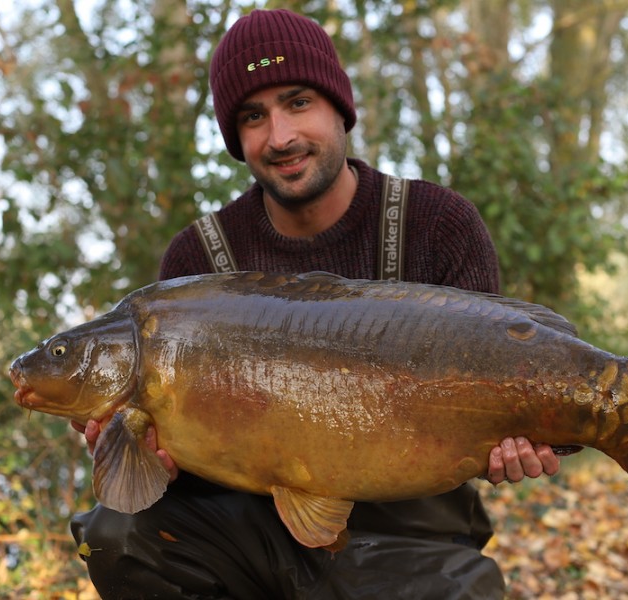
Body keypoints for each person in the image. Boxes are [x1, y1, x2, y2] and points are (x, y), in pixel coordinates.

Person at [70, 9, 560, 599]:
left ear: (339, 107)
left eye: (297, 102)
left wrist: (533, 437)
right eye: (253, 116)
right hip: (245, 534)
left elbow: (507, 381)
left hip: (411, 540)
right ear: (236, 138)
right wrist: (149, 462)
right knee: (115, 534)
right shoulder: (198, 257)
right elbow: (170, 478)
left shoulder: (438, 225)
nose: (280, 137)